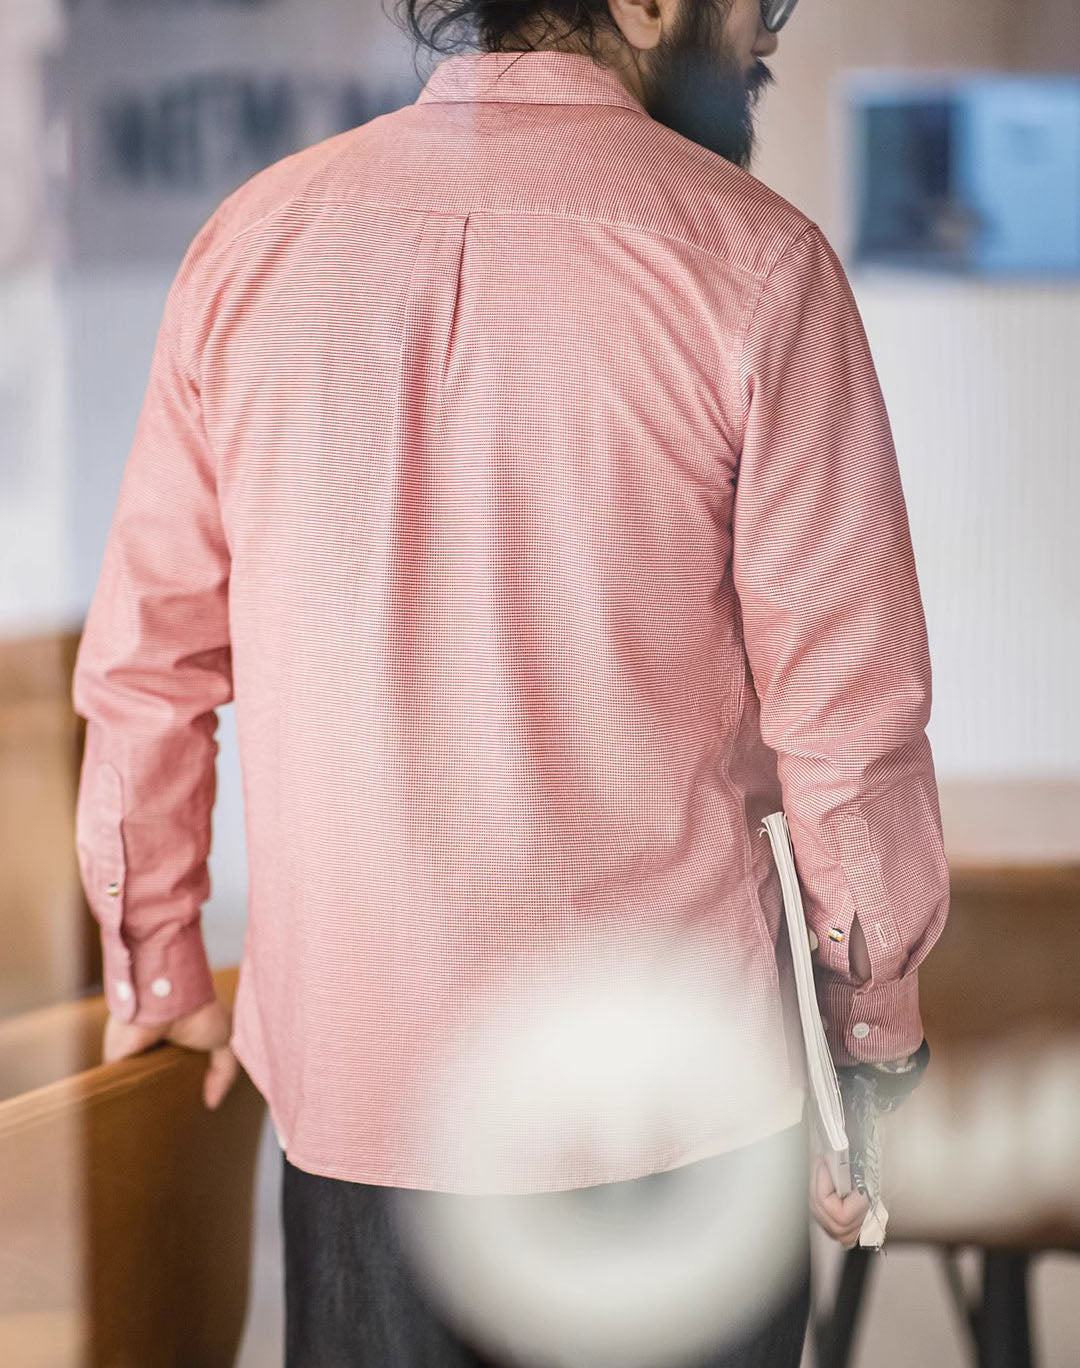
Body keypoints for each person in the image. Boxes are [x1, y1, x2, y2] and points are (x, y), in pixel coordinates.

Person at [73, 0, 951, 1362]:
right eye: (752, 12)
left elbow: (149, 660)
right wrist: (869, 1045)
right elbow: (846, 721)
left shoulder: (253, 243)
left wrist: (160, 960)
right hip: (674, 1111)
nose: (760, 33)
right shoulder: (756, 264)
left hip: (368, 1100)